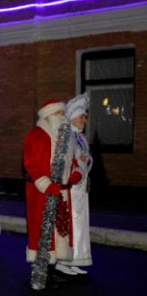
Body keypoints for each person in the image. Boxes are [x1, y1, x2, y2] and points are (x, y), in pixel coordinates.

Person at [22, 100, 82, 281]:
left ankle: (53, 266)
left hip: (62, 191)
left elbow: (73, 162)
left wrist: (76, 173)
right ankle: (41, 268)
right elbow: (30, 163)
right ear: (48, 116)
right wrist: (46, 184)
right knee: (43, 229)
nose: (62, 118)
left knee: (59, 228)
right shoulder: (36, 135)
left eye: (63, 114)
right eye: (59, 114)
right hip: (42, 192)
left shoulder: (67, 138)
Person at [57, 93, 93, 275]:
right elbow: (65, 162)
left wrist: (85, 161)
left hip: (80, 190)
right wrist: (80, 163)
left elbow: (82, 159)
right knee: (69, 223)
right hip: (70, 189)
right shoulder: (67, 136)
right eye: (82, 117)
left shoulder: (80, 137)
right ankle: (64, 260)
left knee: (79, 224)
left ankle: (75, 258)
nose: (85, 120)